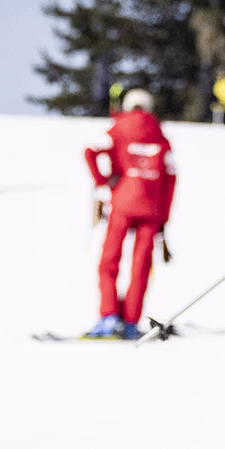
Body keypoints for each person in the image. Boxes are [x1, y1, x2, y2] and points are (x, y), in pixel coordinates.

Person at [82, 88, 176, 339]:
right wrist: (164, 218)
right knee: (141, 265)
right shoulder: (160, 134)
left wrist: (103, 181)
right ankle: (132, 321)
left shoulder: (118, 127)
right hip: (153, 208)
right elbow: (171, 177)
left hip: (123, 202)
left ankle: (109, 316)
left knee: (109, 260)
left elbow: (91, 151)